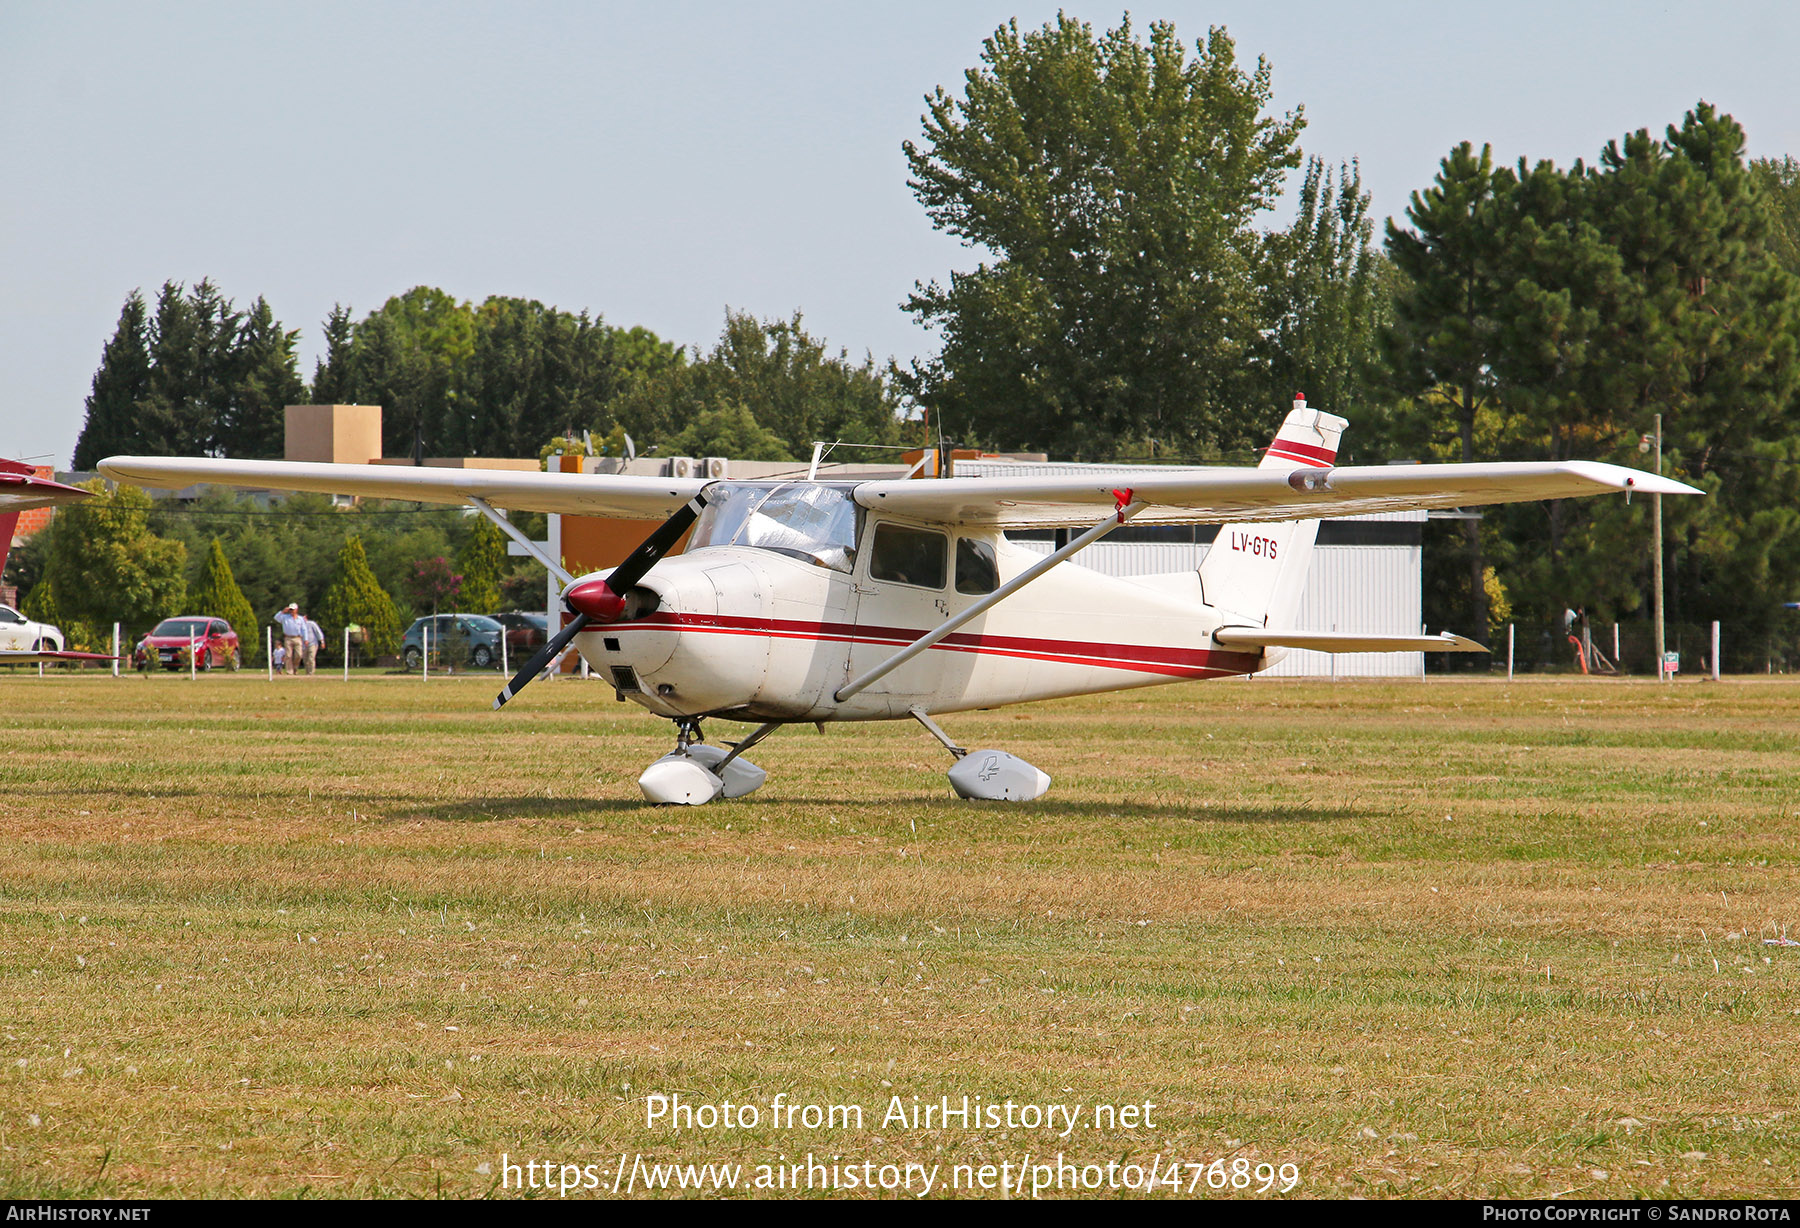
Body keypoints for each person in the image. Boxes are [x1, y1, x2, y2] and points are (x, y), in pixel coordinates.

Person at [276, 603, 305, 676]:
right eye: (290, 609)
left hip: (298, 637)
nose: (291, 611)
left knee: (299, 655)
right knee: (288, 655)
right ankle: (289, 671)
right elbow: (276, 618)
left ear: (296, 610)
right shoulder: (285, 617)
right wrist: (283, 611)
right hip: (288, 638)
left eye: (293, 609)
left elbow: (304, 629)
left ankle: (295, 667)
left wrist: (306, 638)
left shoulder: (300, 619)